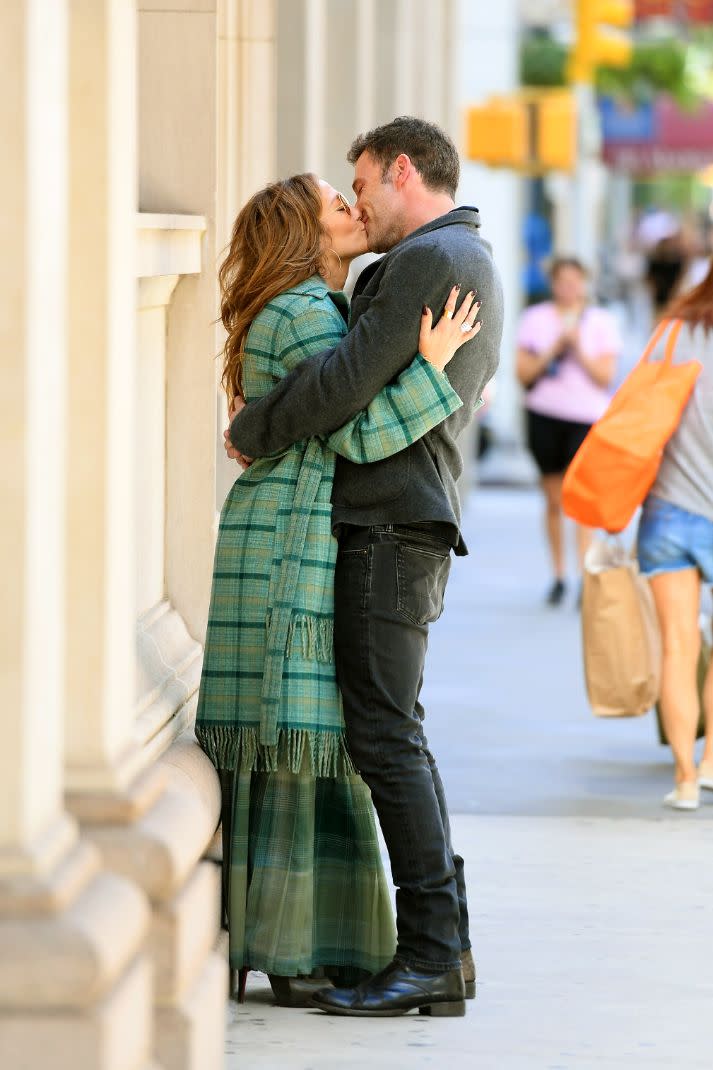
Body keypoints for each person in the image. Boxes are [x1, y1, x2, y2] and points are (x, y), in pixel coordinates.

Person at [227, 117, 503, 1018]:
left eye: (362, 186)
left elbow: (344, 390)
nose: (359, 205)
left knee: (387, 740)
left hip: (392, 529)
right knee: (390, 736)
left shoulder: (430, 260)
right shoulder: (451, 257)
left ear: (400, 171)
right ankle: (439, 951)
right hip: (396, 529)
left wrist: (251, 426)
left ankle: (433, 953)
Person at [636, 256, 713, 811]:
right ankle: (711, 765)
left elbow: (634, 416)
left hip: (667, 510)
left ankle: (686, 780)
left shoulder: (673, 333)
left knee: (678, 647)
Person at [516, 257, 621, 606]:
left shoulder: (601, 322)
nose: (569, 289)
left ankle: (583, 576)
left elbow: (606, 377)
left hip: (586, 417)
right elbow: (524, 374)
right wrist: (554, 349)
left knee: (581, 501)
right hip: (545, 414)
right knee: (553, 499)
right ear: (553, 284)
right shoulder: (535, 319)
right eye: (562, 281)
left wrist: (577, 346)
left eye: (575, 281)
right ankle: (559, 575)